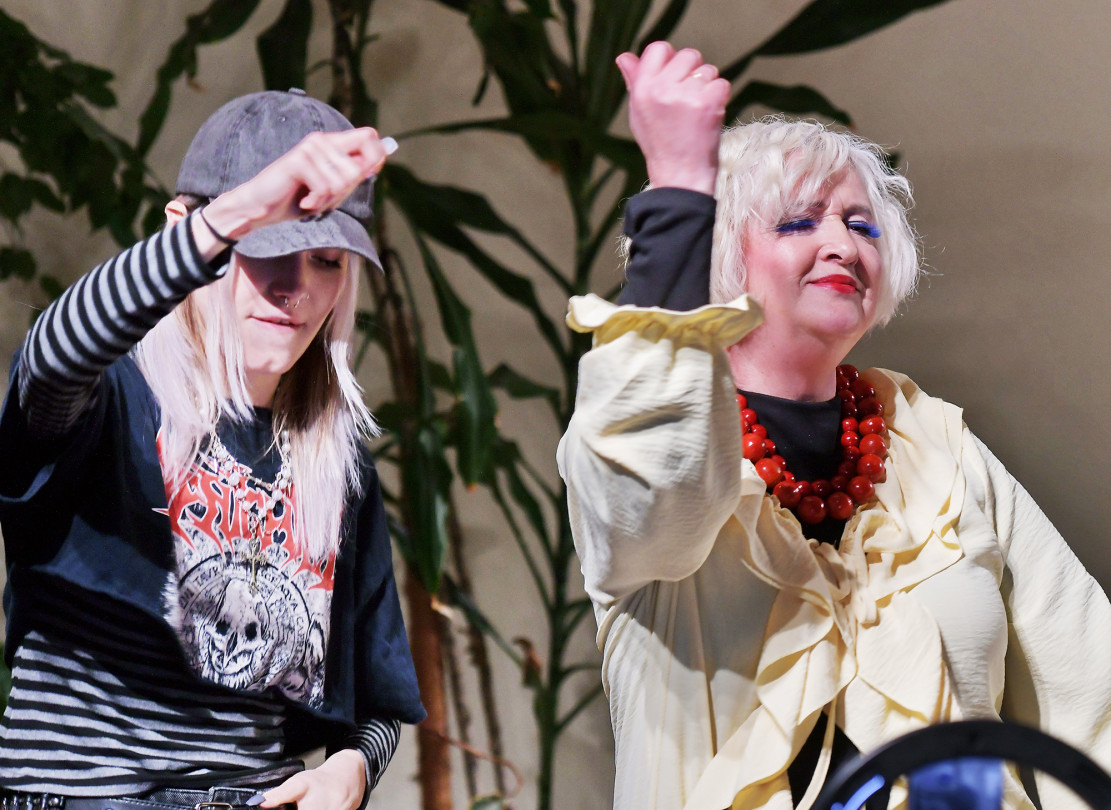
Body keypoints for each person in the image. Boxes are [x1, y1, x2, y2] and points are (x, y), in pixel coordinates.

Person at [557, 41, 1111, 810]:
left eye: (862, 226)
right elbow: (652, 488)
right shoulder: (650, 441)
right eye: (796, 222)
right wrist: (678, 182)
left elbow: (1088, 691)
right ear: (715, 251)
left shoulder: (936, 446)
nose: (842, 245)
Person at [0, 89, 424, 809]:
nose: (294, 288)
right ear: (184, 230)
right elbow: (51, 357)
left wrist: (349, 770)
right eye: (264, 249)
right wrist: (237, 215)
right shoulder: (111, 397)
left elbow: (377, 698)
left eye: (326, 259)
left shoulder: (334, 463)